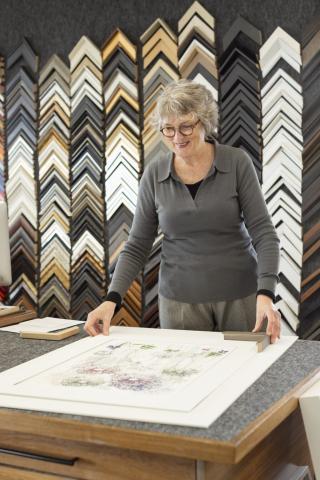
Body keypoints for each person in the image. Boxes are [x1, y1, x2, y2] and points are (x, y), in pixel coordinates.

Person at [84, 79, 281, 343]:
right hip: (179, 303)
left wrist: (265, 293)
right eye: (169, 129)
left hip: (241, 297)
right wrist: (112, 299)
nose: (177, 137)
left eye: (186, 126)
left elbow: (264, 233)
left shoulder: (236, 162)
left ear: (205, 121)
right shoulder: (154, 174)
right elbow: (137, 244)